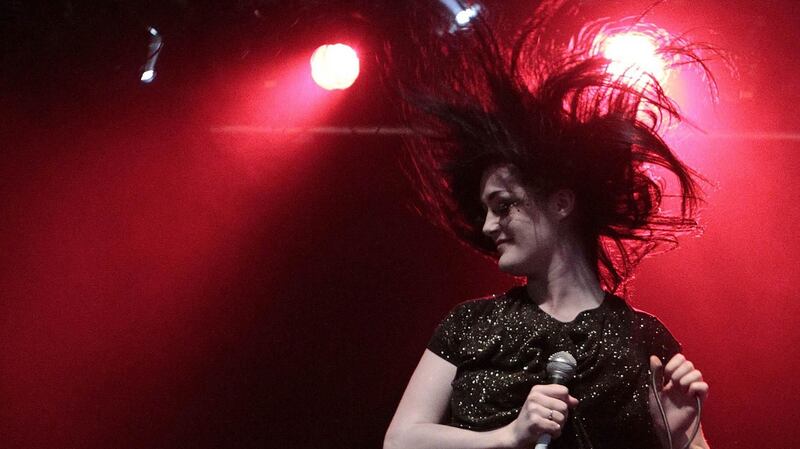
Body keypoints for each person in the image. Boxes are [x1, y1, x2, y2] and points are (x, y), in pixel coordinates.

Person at [381, 2, 715, 448]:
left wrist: (673, 437)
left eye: (502, 206)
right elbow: (400, 440)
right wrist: (507, 437)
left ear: (560, 203)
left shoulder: (644, 339)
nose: (486, 226)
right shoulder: (469, 324)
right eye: (485, 210)